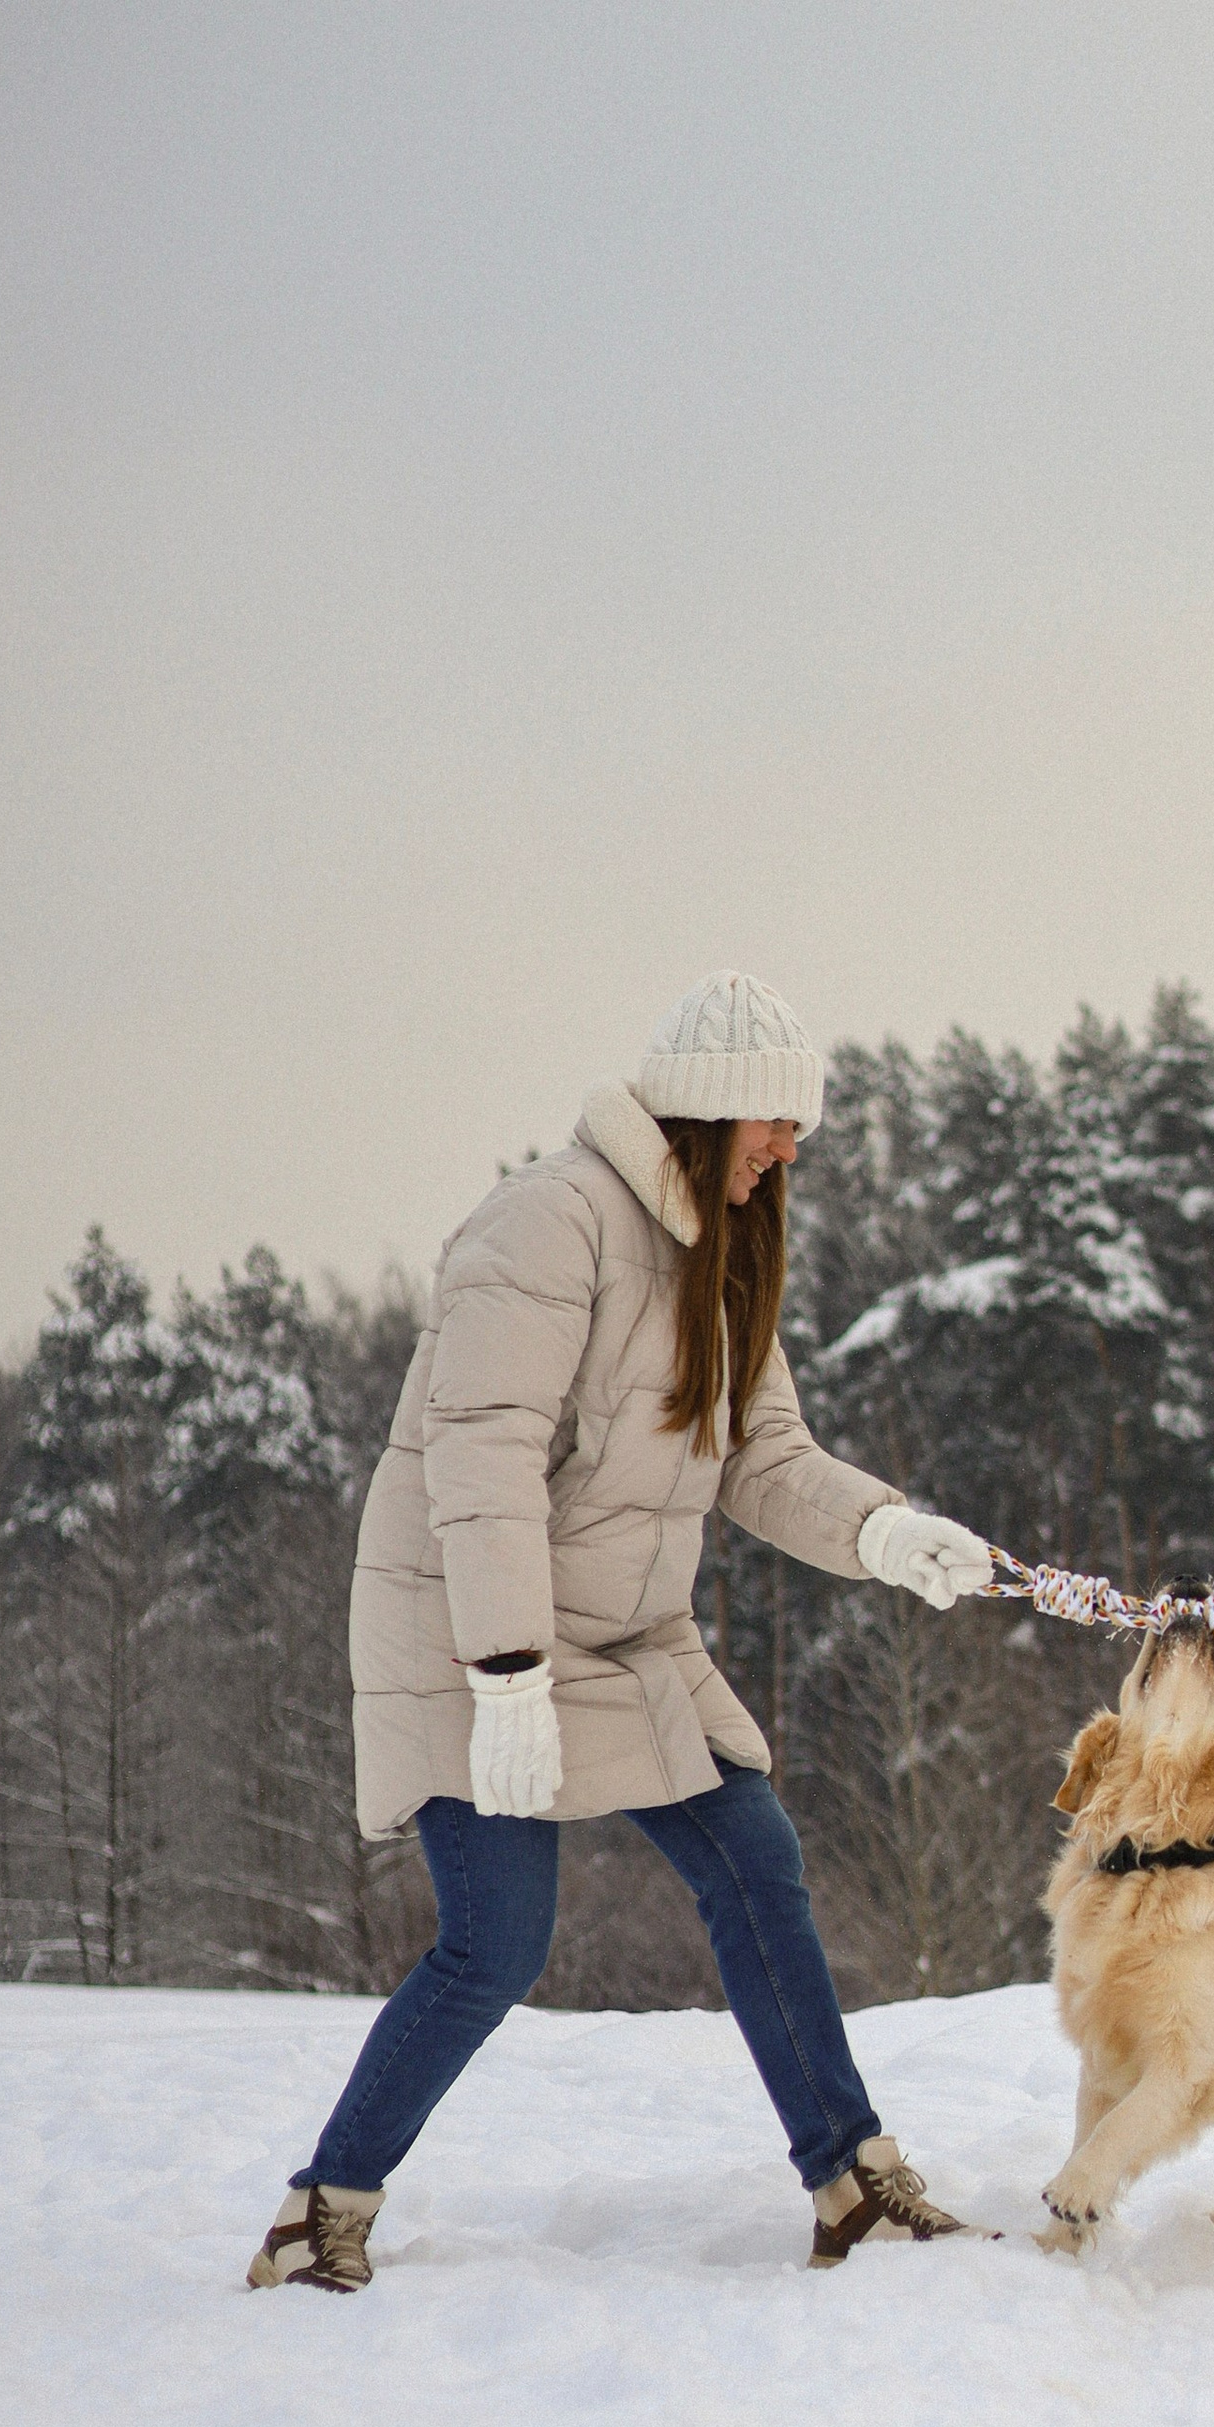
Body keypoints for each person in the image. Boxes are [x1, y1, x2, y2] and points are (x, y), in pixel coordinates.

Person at [249, 969, 997, 2292]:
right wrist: (510, 1676)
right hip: (469, 1629)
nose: (791, 1149)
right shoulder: (547, 1225)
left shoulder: (724, 1252)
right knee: (498, 1943)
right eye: (774, 1121)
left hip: (631, 1638)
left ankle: (849, 2183)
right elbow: (476, 1462)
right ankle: (323, 2210)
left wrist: (886, 1532)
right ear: (709, 1111)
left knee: (755, 1861)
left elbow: (767, 1462)